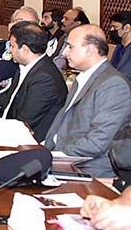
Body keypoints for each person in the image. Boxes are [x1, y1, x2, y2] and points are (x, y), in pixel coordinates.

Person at [44, 24, 131, 178]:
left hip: (89, 170)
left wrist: (54, 155)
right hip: (64, 161)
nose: (64, 52)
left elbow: (97, 142)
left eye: (70, 47)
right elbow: (62, 122)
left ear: (90, 49)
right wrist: (44, 149)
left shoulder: (113, 84)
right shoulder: (82, 78)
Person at [108, 11, 131, 80]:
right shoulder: (119, 46)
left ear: (126, 28)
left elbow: (125, 74)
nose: (111, 30)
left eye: (114, 27)